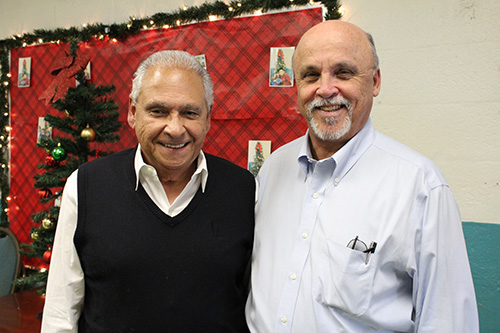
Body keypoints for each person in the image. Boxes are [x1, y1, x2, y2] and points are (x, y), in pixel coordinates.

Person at [245, 20, 479, 332]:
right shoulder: (274, 168)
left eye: (343, 73)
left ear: (375, 81)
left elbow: (448, 322)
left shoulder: (420, 186)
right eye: (311, 75)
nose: (326, 89)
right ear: (296, 85)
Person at [42, 50, 255, 332]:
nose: (175, 128)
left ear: (208, 118)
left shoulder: (243, 190)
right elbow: (60, 313)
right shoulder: (86, 187)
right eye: (158, 111)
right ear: (132, 112)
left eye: (190, 113)